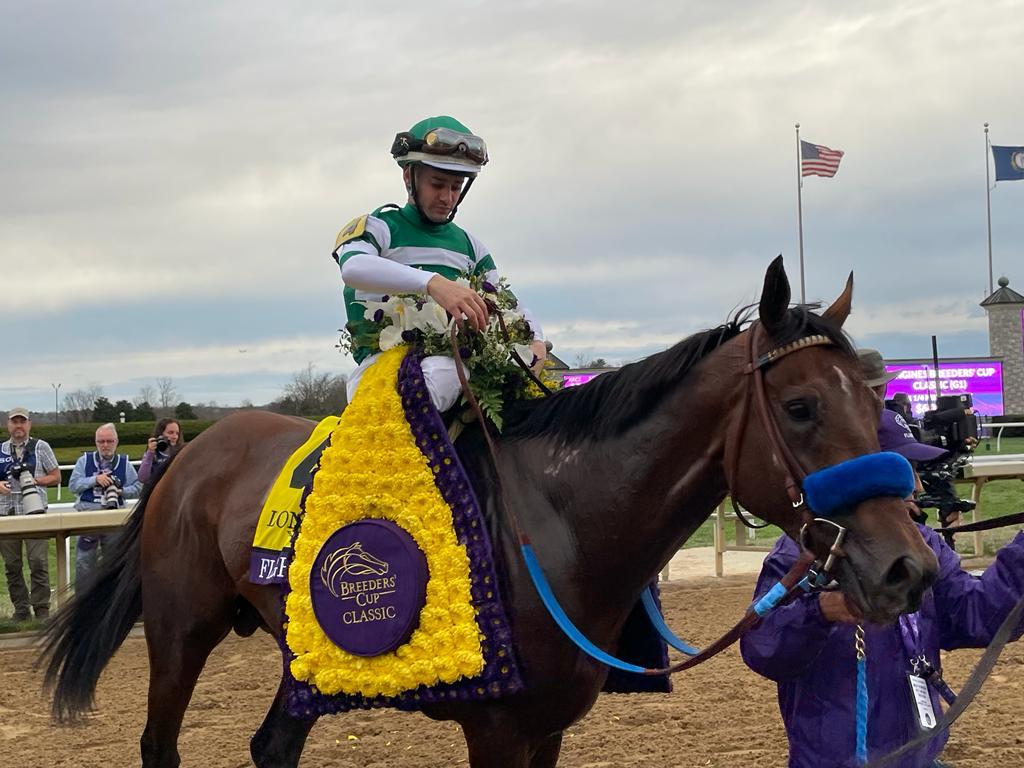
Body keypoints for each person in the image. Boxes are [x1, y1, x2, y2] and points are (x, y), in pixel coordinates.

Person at [740, 401, 1024, 767]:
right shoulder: (805, 551)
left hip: (919, 757)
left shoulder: (925, 544)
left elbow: (977, 614)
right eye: (905, 472)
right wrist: (821, 611)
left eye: (916, 471)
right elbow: (763, 648)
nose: (917, 486)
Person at [333, 115, 547, 413]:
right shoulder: (377, 226)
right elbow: (354, 268)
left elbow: (509, 303)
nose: (447, 198)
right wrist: (433, 284)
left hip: (464, 369)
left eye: (456, 187)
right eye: (437, 184)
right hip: (382, 372)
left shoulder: (471, 246)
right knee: (444, 372)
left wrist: (536, 342)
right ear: (409, 177)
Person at [0, 407, 61, 621]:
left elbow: (56, 476)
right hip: (7, 514)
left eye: (22, 421)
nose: (18, 426)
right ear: (8, 425)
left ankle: (42, 607)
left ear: (29, 424)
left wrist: (36, 481)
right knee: (12, 565)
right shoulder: (1, 450)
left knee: (38, 562)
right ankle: (21, 609)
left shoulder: (41, 447)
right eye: (14, 422)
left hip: (34, 512)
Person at [68, 423, 141, 591]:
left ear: (116, 442)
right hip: (88, 516)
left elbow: (138, 488)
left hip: (114, 518)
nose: (105, 445)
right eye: (101, 441)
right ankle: (84, 604)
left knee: (115, 562)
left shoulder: (124, 463)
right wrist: (95, 480)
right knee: (84, 561)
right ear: (96, 442)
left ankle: (111, 602)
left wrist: (120, 491)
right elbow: (73, 485)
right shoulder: (84, 461)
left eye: (109, 441)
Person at [138, 418, 184, 484]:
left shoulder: (181, 451)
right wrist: (150, 453)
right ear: (161, 434)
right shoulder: (154, 452)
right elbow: (142, 478)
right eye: (170, 433)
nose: (175, 437)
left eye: (177, 433)